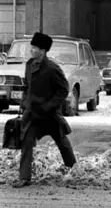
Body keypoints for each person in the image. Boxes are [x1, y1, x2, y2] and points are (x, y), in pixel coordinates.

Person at [13, 32, 76, 188]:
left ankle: (73, 169)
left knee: (62, 141)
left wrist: (48, 106)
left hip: (49, 114)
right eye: (32, 47)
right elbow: (27, 86)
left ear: (43, 51)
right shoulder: (29, 65)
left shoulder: (52, 68)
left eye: (35, 47)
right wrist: (24, 102)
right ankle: (24, 178)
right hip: (32, 114)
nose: (31, 50)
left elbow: (63, 90)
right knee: (27, 143)